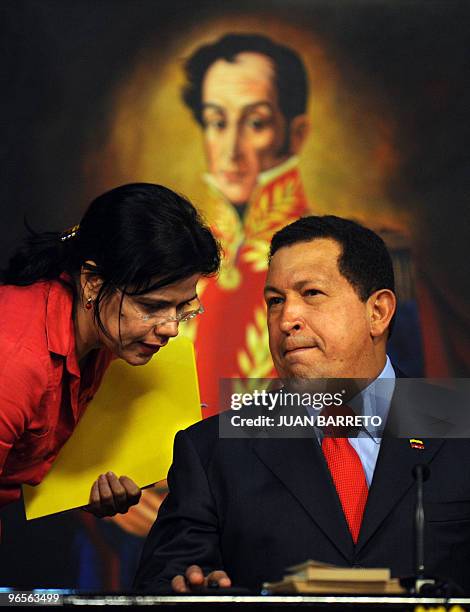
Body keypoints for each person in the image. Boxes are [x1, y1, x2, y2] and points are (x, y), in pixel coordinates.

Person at [134, 215, 470, 593]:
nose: (286, 318)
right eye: (275, 301)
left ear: (377, 312)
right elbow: (164, 584)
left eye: (311, 293)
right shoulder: (212, 451)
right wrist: (192, 591)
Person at [0, 182, 220, 518]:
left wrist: (82, 491)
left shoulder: (102, 333)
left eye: (183, 309)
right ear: (92, 282)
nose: (171, 328)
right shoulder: (15, 360)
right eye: (151, 306)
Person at [181, 33, 311, 415]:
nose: (232, 149)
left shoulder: (337, 256)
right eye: (217, 122)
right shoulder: (184, 257)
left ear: (296, 133)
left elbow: (383, 413)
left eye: (255, 122)